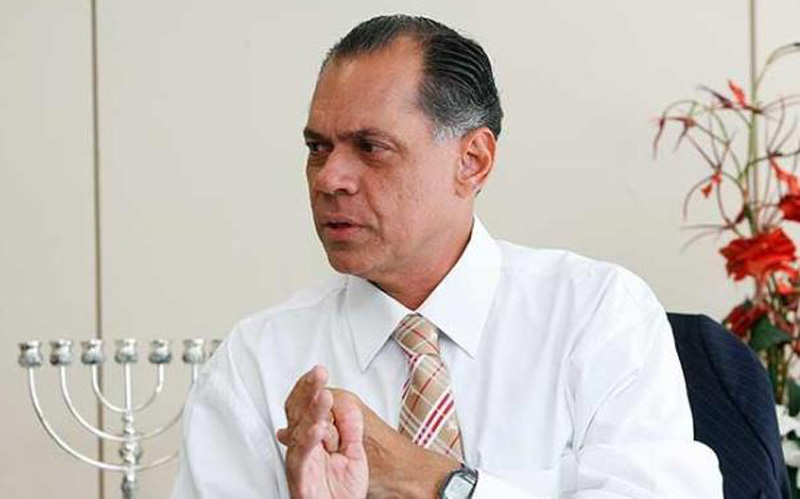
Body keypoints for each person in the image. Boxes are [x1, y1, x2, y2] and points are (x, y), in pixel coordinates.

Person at [171, 14, 723, 499]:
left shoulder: (597, 315)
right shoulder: (258, 361)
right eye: (318, 148)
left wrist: (431, 481)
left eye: (370, 147)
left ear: (473, 161)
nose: (330, 178)